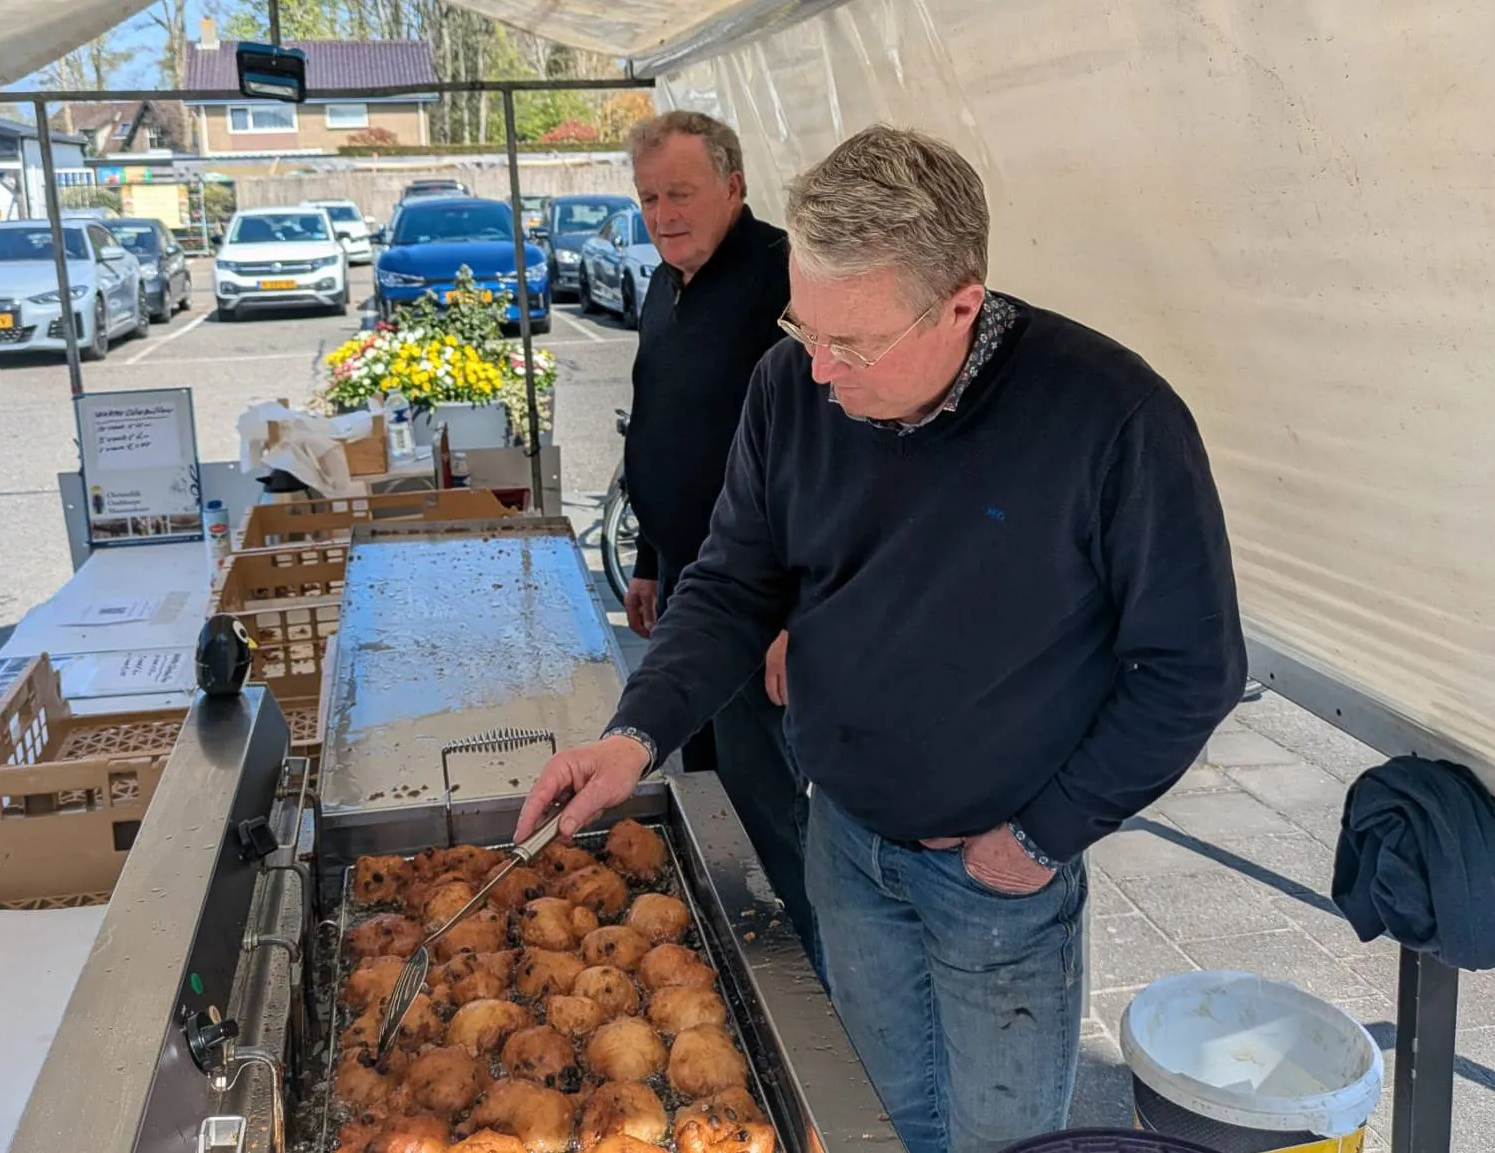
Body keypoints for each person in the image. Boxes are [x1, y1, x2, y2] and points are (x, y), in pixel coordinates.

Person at [519, 124, 1246, 1153]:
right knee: (874, 1120)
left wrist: (1045, 833)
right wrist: (633, 735)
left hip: (999, 875)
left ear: (960, 304)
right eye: (801, 326)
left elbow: (1193, 666)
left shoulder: (1111, 419)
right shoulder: (787, 388)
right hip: (846, 845)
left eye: (849, 343)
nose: (818, 371)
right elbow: (730, 584)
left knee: (999, 1137)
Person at [618, 111, 817, 957]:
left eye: (680, 193)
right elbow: (659, 424)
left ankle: (806, 969)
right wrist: (648, 557)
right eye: (648, 196)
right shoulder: (666, 284)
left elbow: (825, 459)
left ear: (733, 187)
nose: (662, 213)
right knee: (696, 779)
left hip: (754, 601)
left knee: (759, 792)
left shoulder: (785, 281)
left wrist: (796, 614)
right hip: (685, 586)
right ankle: (724, 939)